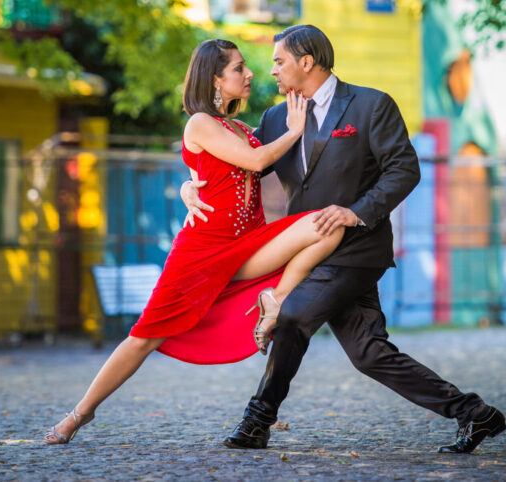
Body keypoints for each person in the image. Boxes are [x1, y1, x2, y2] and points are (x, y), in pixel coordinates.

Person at [182, 25, 506, 454]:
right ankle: (475, 413)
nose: (272, 70)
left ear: (307, 61)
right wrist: (190, 186)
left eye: (279, 61)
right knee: (369, 353)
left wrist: (356, 212)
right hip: (308, 251)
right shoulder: (277, 119)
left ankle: (256, 421)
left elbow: (404, 170)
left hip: (358, 249)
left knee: (292, 315)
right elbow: (235, 166)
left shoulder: (372, 105)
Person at [44, 38, 344, 445]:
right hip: (201, 253)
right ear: (215, 79)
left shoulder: (237, 127)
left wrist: (190, 183)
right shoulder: (199, 123)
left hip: (249, 244)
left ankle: (274, 300)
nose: (250, 73)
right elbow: (256, 161)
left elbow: (221, 166)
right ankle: (80, 414)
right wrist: (294, 131)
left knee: (330, 225)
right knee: (143, 338)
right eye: (239, 68)